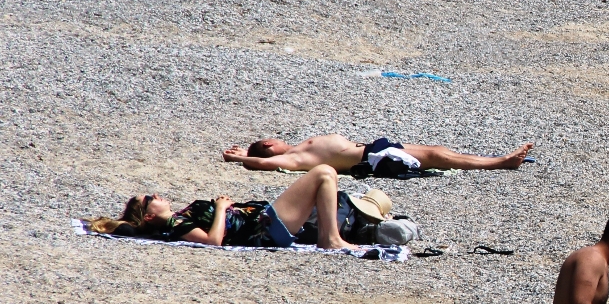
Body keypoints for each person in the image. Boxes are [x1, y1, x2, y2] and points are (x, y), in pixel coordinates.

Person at [87, 163, 351, 249]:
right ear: (147, 216)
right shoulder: (176, 225)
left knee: (325, 176)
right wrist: (222, 209)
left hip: (265, 221)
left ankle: (330, 236)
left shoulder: (178, 218)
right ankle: (331, 239)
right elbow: (212, 241)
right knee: (324, 173)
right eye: (149, 199)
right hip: (265, 229)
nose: (156, 195)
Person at [224, 134, 533, 175]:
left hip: (372, 149)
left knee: (438, 152)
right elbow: (264, 164)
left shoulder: (298, 149)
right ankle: (501, 163)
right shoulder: (292, 159)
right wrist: (240, 159)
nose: (275, 139)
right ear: (267, 145)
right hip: (370, 158)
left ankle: (498, 160)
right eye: (269, 139)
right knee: (439, 156)